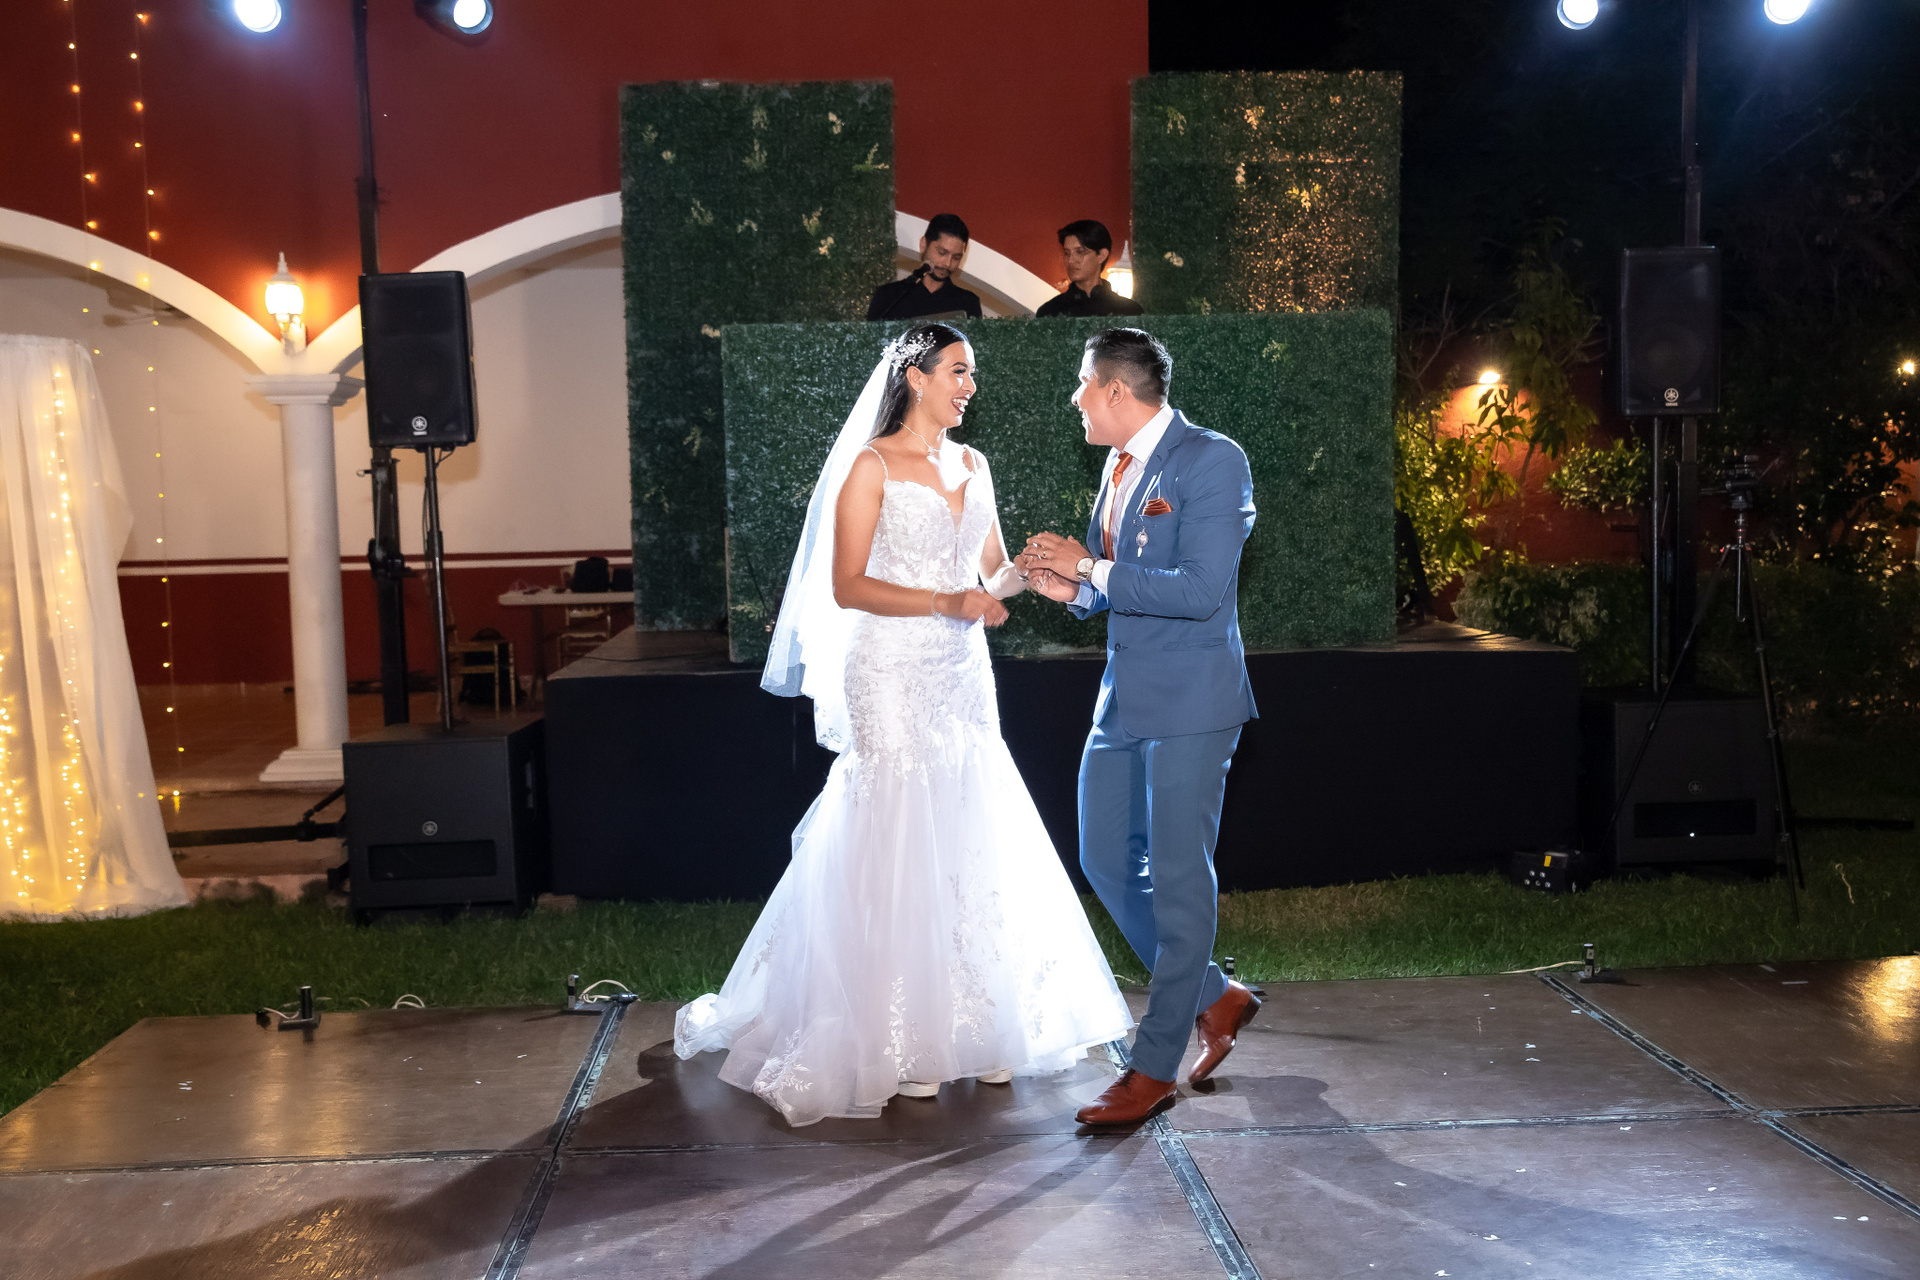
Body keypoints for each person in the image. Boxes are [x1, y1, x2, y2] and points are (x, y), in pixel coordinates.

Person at [675, 322, 1132, 1127]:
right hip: (888, 667)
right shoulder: (871, 465)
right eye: (958, 370)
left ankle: (975, 1026)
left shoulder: (974, 464)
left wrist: (1028, 572)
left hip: (961, 671)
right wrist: (945, 600)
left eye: (972, 373)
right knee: (897, 827)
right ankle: (900, 1037)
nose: (970, 386)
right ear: (916, 377)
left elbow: (988, 572)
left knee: (966, 826)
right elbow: (848, 585)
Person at [1017, 327, 1260, 1127]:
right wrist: (1073, 590)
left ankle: (1152, 1069)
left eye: (1083, 385)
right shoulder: (1118, 466)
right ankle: (1217, 997)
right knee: (1102, 856)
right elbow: (1117, 583)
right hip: (1123, 700)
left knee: (1181, 883)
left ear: (1116, 391)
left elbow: (1198, 589)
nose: (1076, 399)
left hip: (1192, 704)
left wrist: (1089, 566)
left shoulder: (1213, 460)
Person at [866, 213, 984, 321]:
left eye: (956, 257)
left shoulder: (968, 303)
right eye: (942, 253)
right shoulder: (889, 295)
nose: (947, 263)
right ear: (924, 244)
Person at [1035, 220, 1144, 319]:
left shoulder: (1130, 311)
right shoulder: (1049, 312)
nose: (1070, 260)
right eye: (1067, 253)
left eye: (1080, 252)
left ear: (1101, 255)